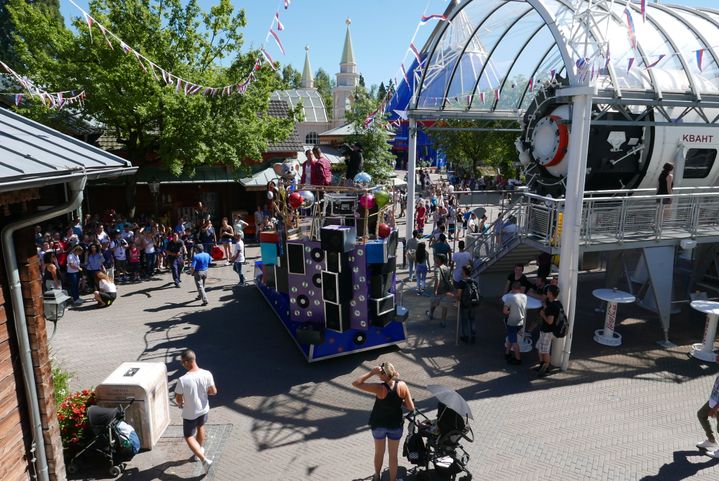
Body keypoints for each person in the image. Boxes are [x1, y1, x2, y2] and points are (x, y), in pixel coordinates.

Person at [352, 361, 415, 481]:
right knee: (393, 456)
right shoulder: (402, 385)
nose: (378, 375)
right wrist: (399, 401)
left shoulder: (379, 388)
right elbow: (411, 407)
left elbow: (356, 383)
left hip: (378, 425)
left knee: (379, 453)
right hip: (395, 425)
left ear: (385, 375)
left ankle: (376, 476)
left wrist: (371, 372)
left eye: (380, 373)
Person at [174, 349, 217, 473]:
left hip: (190, 412)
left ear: (188, 362)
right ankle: (199, 450)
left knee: (188, 436)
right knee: (201, 426)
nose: (182, 365)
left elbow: (178, 398)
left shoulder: (183, 380)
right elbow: (213, 391)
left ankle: (204, 459)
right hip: (203, 409)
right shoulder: (207, 373)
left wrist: (181, 403)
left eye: (183, 362)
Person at [696, 353, 719, 457]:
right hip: (713, 401)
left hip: (716, 405)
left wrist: (715, 408)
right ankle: (711, 440)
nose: (716, 357)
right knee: (701, 414)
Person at [537, 285, 561, 377]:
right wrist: (544, 305)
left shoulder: (552, 307)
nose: (546, 292)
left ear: (550, 294)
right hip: (546, 331)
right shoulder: (556, 303)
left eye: (547, 291)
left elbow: (550, 321)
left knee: (545, 351)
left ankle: (546, 369)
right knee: (540, 348)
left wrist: (542, 314)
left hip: (547, 331)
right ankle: (542, 365)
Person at [502, 281, 527, 365]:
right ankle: (507, 353)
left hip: (512, 323)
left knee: (514, 342)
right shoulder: (524, 297)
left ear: (512, 288)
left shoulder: (510, 298)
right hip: (520, 322)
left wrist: (510, 311)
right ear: (519, 288)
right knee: (510, 337)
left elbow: (505, 311)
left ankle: (518, 359)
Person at [427, 254, 454, 327]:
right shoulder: (446, 268)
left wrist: (435, 290)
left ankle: (431, 314)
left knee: (433, 302)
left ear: (439, 259)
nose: (435, 259)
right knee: (444, 306)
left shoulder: (437, 269)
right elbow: (449, 278)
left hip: (439, 290)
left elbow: (437, 280)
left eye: (436, 258)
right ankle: (443, 321)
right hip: (446, 290)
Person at [455, 265, 477, 343]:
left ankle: (466, 336)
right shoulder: (474, 281)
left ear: (464, 272)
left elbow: (458, 295)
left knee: (464, 321)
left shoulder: (461, 282)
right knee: (472, 320)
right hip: (473, 304)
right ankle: (473, 336)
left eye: (462, 270)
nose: (461, 272)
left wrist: (457, 301)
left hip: (465, 305)